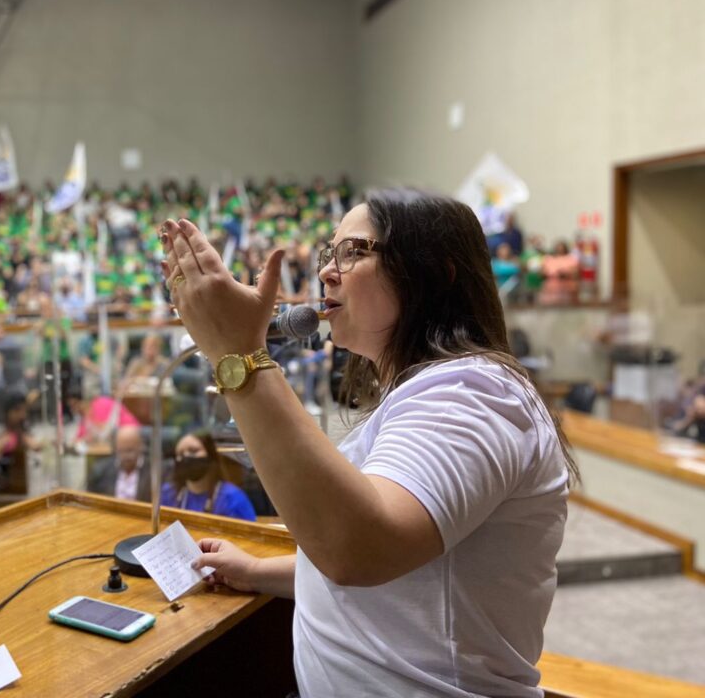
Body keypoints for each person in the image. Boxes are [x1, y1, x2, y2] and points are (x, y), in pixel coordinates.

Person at [160, 189, 575, 697]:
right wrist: (257, 571)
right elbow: (400, 574)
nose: (328, 273)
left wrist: (239, 356)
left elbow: (360, 548)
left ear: (434, 273)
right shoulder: (430, 392)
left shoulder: (469, 394)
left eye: (354, 252)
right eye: (328, 255)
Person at [160, 431, 256, 521]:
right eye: (180, 454)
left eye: (193, 451)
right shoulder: (168, 493)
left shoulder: (232, 498)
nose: (186, 456)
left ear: (210, 455)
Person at [87, 425, 151, 502]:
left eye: (130, 450)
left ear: (141, 446)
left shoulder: (154, 471)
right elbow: (89, 501)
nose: (126, 456)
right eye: (122, 451)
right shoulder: (101, 471)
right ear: (116, 449)